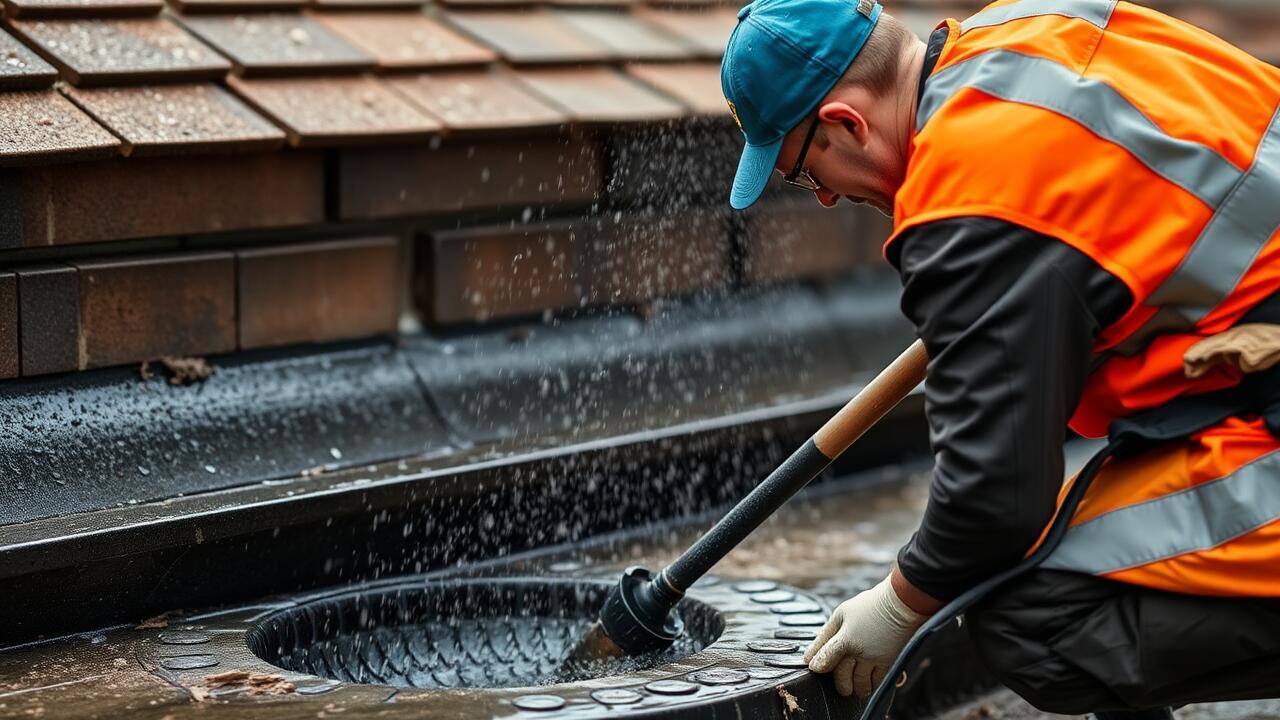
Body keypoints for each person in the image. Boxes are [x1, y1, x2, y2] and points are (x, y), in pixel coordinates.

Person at [719, 0, 1280, 716]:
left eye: (803, 170)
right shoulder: (1026, 32)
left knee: (1027, 611)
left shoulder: (970, 201)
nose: (826, 197)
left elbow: (991, 501)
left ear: (848, 124)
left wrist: (897, 605)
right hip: (1254, 350)